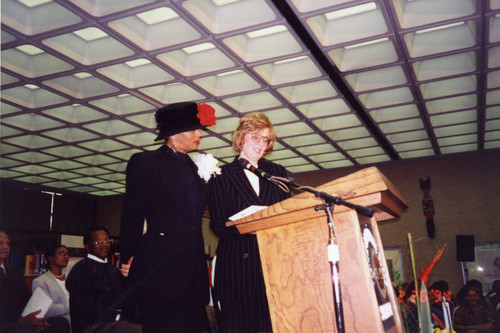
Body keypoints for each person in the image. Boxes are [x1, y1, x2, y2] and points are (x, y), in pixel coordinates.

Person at [120, 102, 217, 333]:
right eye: (193, 129)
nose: (199, 133)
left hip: (192, 263)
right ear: (173, 134)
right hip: (160, 263)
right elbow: (131, 214)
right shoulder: (145, 163)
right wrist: (128, 258)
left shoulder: (194, 169)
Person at [207, 112, 291, 333]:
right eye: (256, 137)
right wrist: (251, 227)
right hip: (237, 268)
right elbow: (217, 224)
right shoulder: (221, 175)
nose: (261, 145)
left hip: (272, 264)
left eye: (266, 140)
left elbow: (288, 214)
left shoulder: (277, 173)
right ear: (241, 137)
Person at [65, 226, 141, 333]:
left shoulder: (112, 269)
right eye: (98, 242)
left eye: (106, 240)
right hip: (91, 325)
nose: (104, 244)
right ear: (87, 246)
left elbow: (124, 296)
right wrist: (117, 317)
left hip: (113, 320)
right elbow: (87, 309)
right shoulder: (80, 271)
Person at [0, 231, 70, 333]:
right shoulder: (41, 280)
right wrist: (22, 320)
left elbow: (24, 300)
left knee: (60, 323)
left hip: (19, 319)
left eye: (8, 243)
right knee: (25, 327)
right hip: (5, 323)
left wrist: (35, 318)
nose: (6, 246)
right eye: (1, 243)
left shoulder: (15, 272)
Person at [32, 245, 71, 327]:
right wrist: (72, 306)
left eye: (67, 254)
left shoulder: (71, 277)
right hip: (58, 325)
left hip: (77, 321)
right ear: (51, 258)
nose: (66, 257)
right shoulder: (40, 281)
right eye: (62, 253)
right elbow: (46, 308)